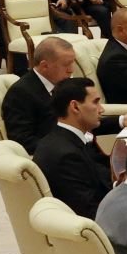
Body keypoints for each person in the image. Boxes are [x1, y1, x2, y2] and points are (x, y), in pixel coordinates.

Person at [4, 37, 127, 149]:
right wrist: (71, 145)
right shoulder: (20, 93)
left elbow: (82, 121)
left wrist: (122, 120)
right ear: (44, 65)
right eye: (66, 64)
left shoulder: (64, 84)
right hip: (65, 162)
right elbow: (22, 142)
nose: (71, 70)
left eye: (72, 63)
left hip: (88, 151)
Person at [32, 78, 118, 216]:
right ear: (75, 107)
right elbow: (90, 211)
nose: (101, 109)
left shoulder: (65, 139)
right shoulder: (65, 156)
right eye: (95, 102)